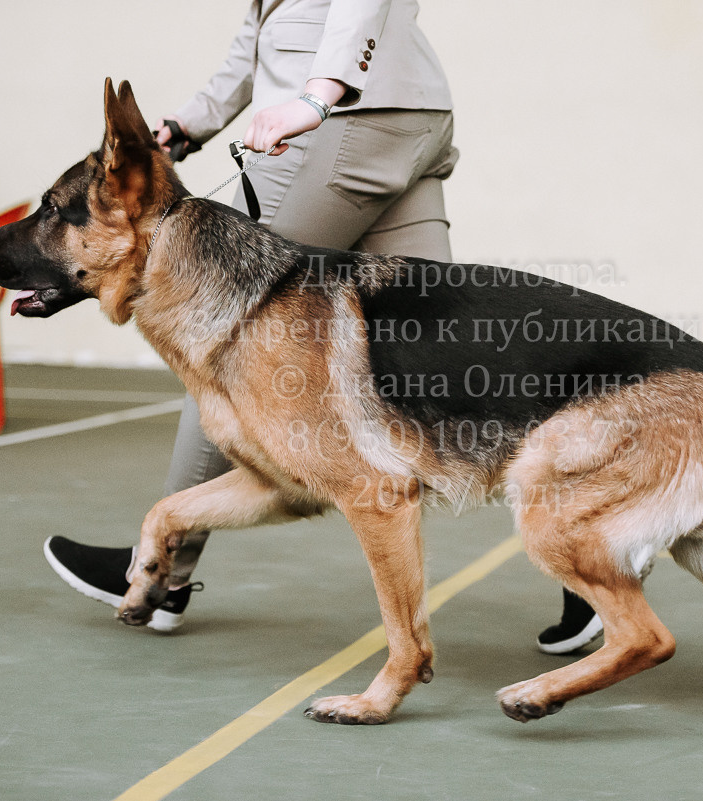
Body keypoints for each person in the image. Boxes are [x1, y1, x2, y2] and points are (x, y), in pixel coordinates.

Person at [43, 0, 603, 654]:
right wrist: (193, 123)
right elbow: (262, 31)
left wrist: (316, 97)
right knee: (442, 345)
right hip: (411, 111)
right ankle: (590, 562)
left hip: (342, 119)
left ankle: (162, 572)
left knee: (226, 331)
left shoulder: (325, 98)